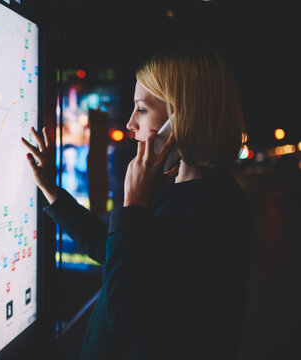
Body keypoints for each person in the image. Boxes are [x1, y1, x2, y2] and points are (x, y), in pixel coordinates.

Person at [21, 42, 251, 360]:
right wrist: (52, 190)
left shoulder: (210, 210)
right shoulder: (181, 188)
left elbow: (126, 313)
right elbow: (114, 249)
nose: (130, 124)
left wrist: (133, 202)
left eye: (141, 109)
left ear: (181, 117)